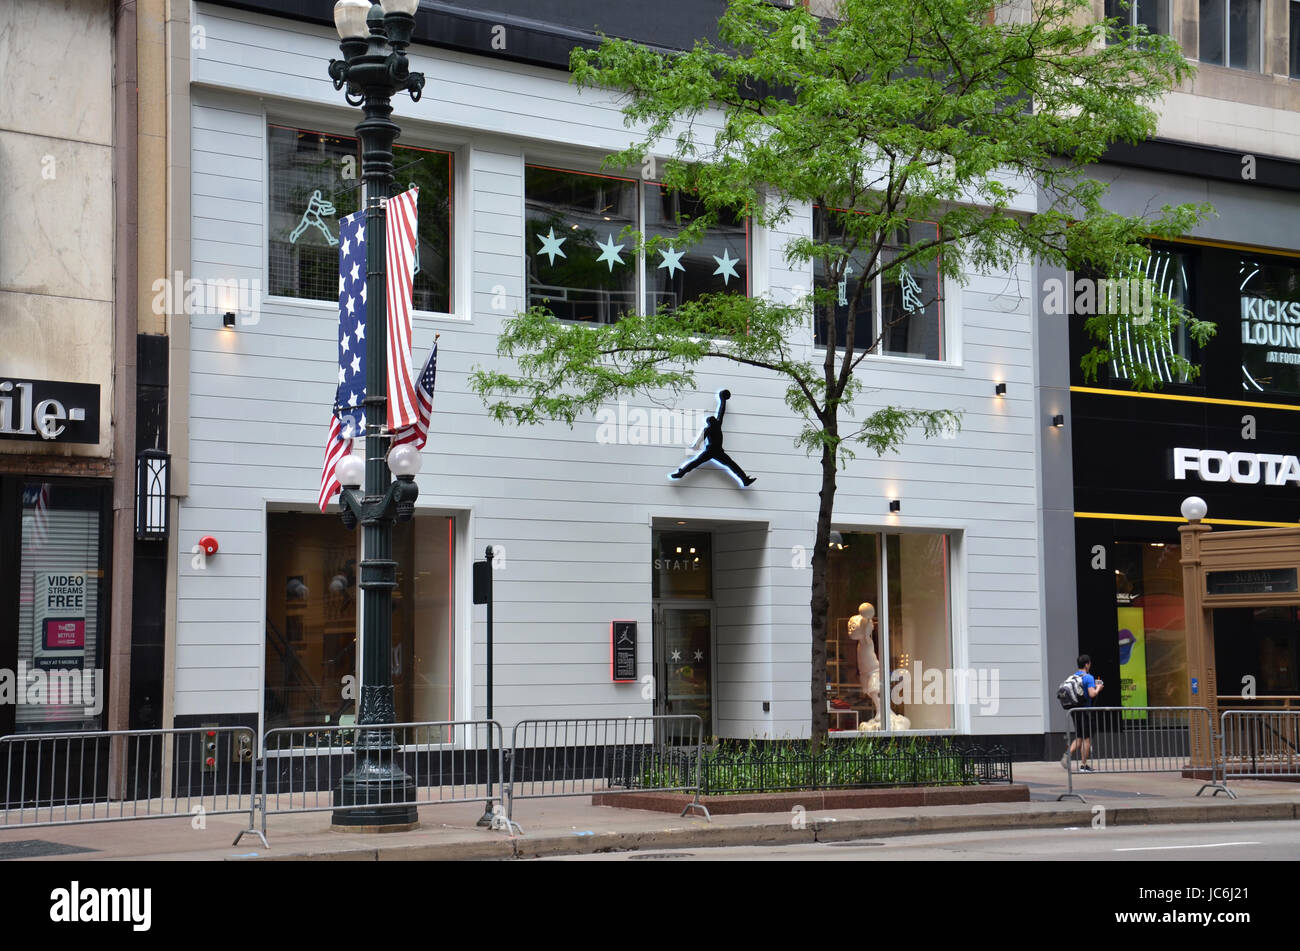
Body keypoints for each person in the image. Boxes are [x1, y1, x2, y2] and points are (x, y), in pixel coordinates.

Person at [670, 390, 756, 486]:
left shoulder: (711, 427)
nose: (714, 419)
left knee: (697, 463)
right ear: (712, 421)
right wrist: (723, 400)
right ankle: (744, 479)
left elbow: (720, 412)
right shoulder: (714, 426)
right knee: (731, 465)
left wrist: (723, 400)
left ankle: (744, 480)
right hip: (714, 451)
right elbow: (720, 412)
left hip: (715, 451)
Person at [1062, 654, 1104, 771]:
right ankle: (1083, 765)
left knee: (1080, 737)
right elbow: (1092, 694)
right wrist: (1098, 688)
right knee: (1087, 738)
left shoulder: (1073, 676)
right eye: (1089, 664)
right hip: (1085, 711)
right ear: (1087, 664)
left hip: (1075, 711)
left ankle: (1067, 755)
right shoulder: (1088, 677)